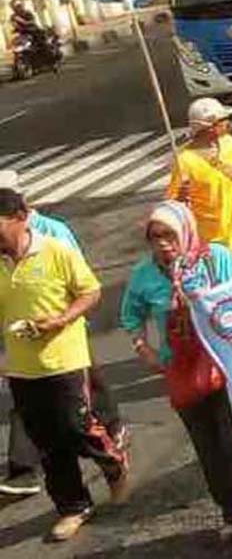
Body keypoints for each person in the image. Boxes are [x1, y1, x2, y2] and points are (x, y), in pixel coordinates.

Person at [0, 189, 129, 541]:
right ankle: (74, 507)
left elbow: (91, 291)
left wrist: (62, 319)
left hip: (66, 360)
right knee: (46, 441)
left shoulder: (56, 251)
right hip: (22, 368)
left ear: (19, 219)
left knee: (77, 427)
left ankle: (113, 463)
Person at [120, 200, 232, 541]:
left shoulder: (215, 259)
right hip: (181, 372)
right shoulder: (144, 275)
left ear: (186, 231)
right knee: (208, 448)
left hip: (225, 366)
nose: (163, 244)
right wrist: (143, 347)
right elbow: (130, 314)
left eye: (169, 235)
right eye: (155, 237)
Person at [166, 98, 232, 271]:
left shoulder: (229, 143)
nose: (227, 123)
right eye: (222, 121)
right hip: (216, 246)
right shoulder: (185, 162)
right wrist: (180, 198)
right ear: (210, 127)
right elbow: (172, 207)